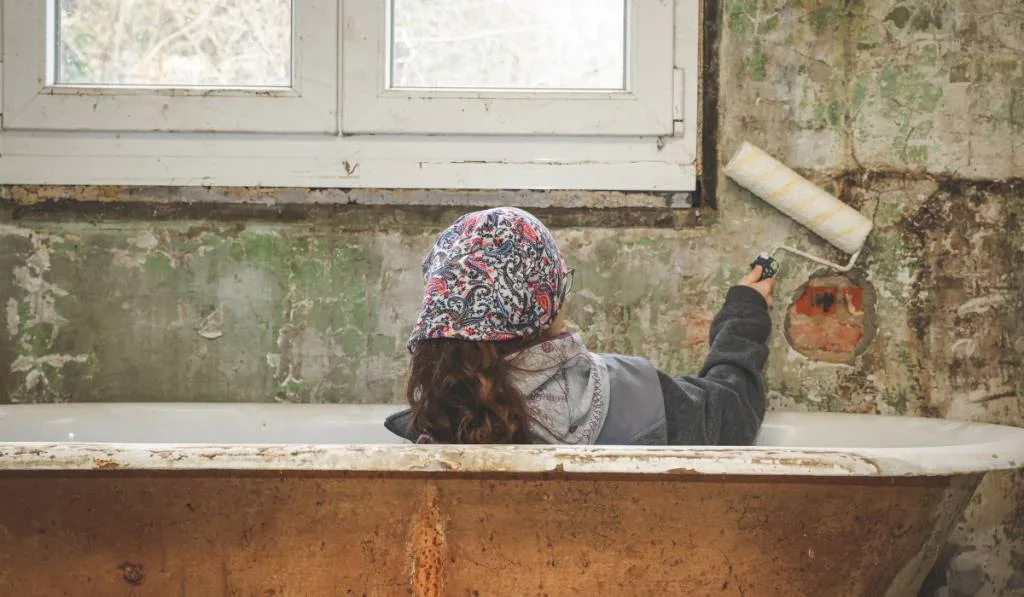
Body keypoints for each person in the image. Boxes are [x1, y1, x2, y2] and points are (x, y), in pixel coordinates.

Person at [384, 207, 774, 446]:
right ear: (548, 303)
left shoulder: (434, 423)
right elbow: (732, 409)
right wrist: (744, 311)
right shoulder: (633, 393)